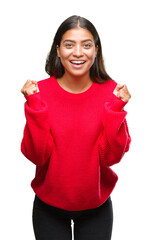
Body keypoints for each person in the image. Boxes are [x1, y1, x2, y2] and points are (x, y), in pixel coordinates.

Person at [20, 15, 131, 240]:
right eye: (69, 45)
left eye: (86, 45)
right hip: (48, 208)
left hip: (96, 208)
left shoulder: (112, 92)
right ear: (58, 50)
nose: (78, 52)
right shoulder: (38, 93)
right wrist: (35, 106)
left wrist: (116, 109)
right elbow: (37, 155)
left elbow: (111, 157)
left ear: (96, 50)